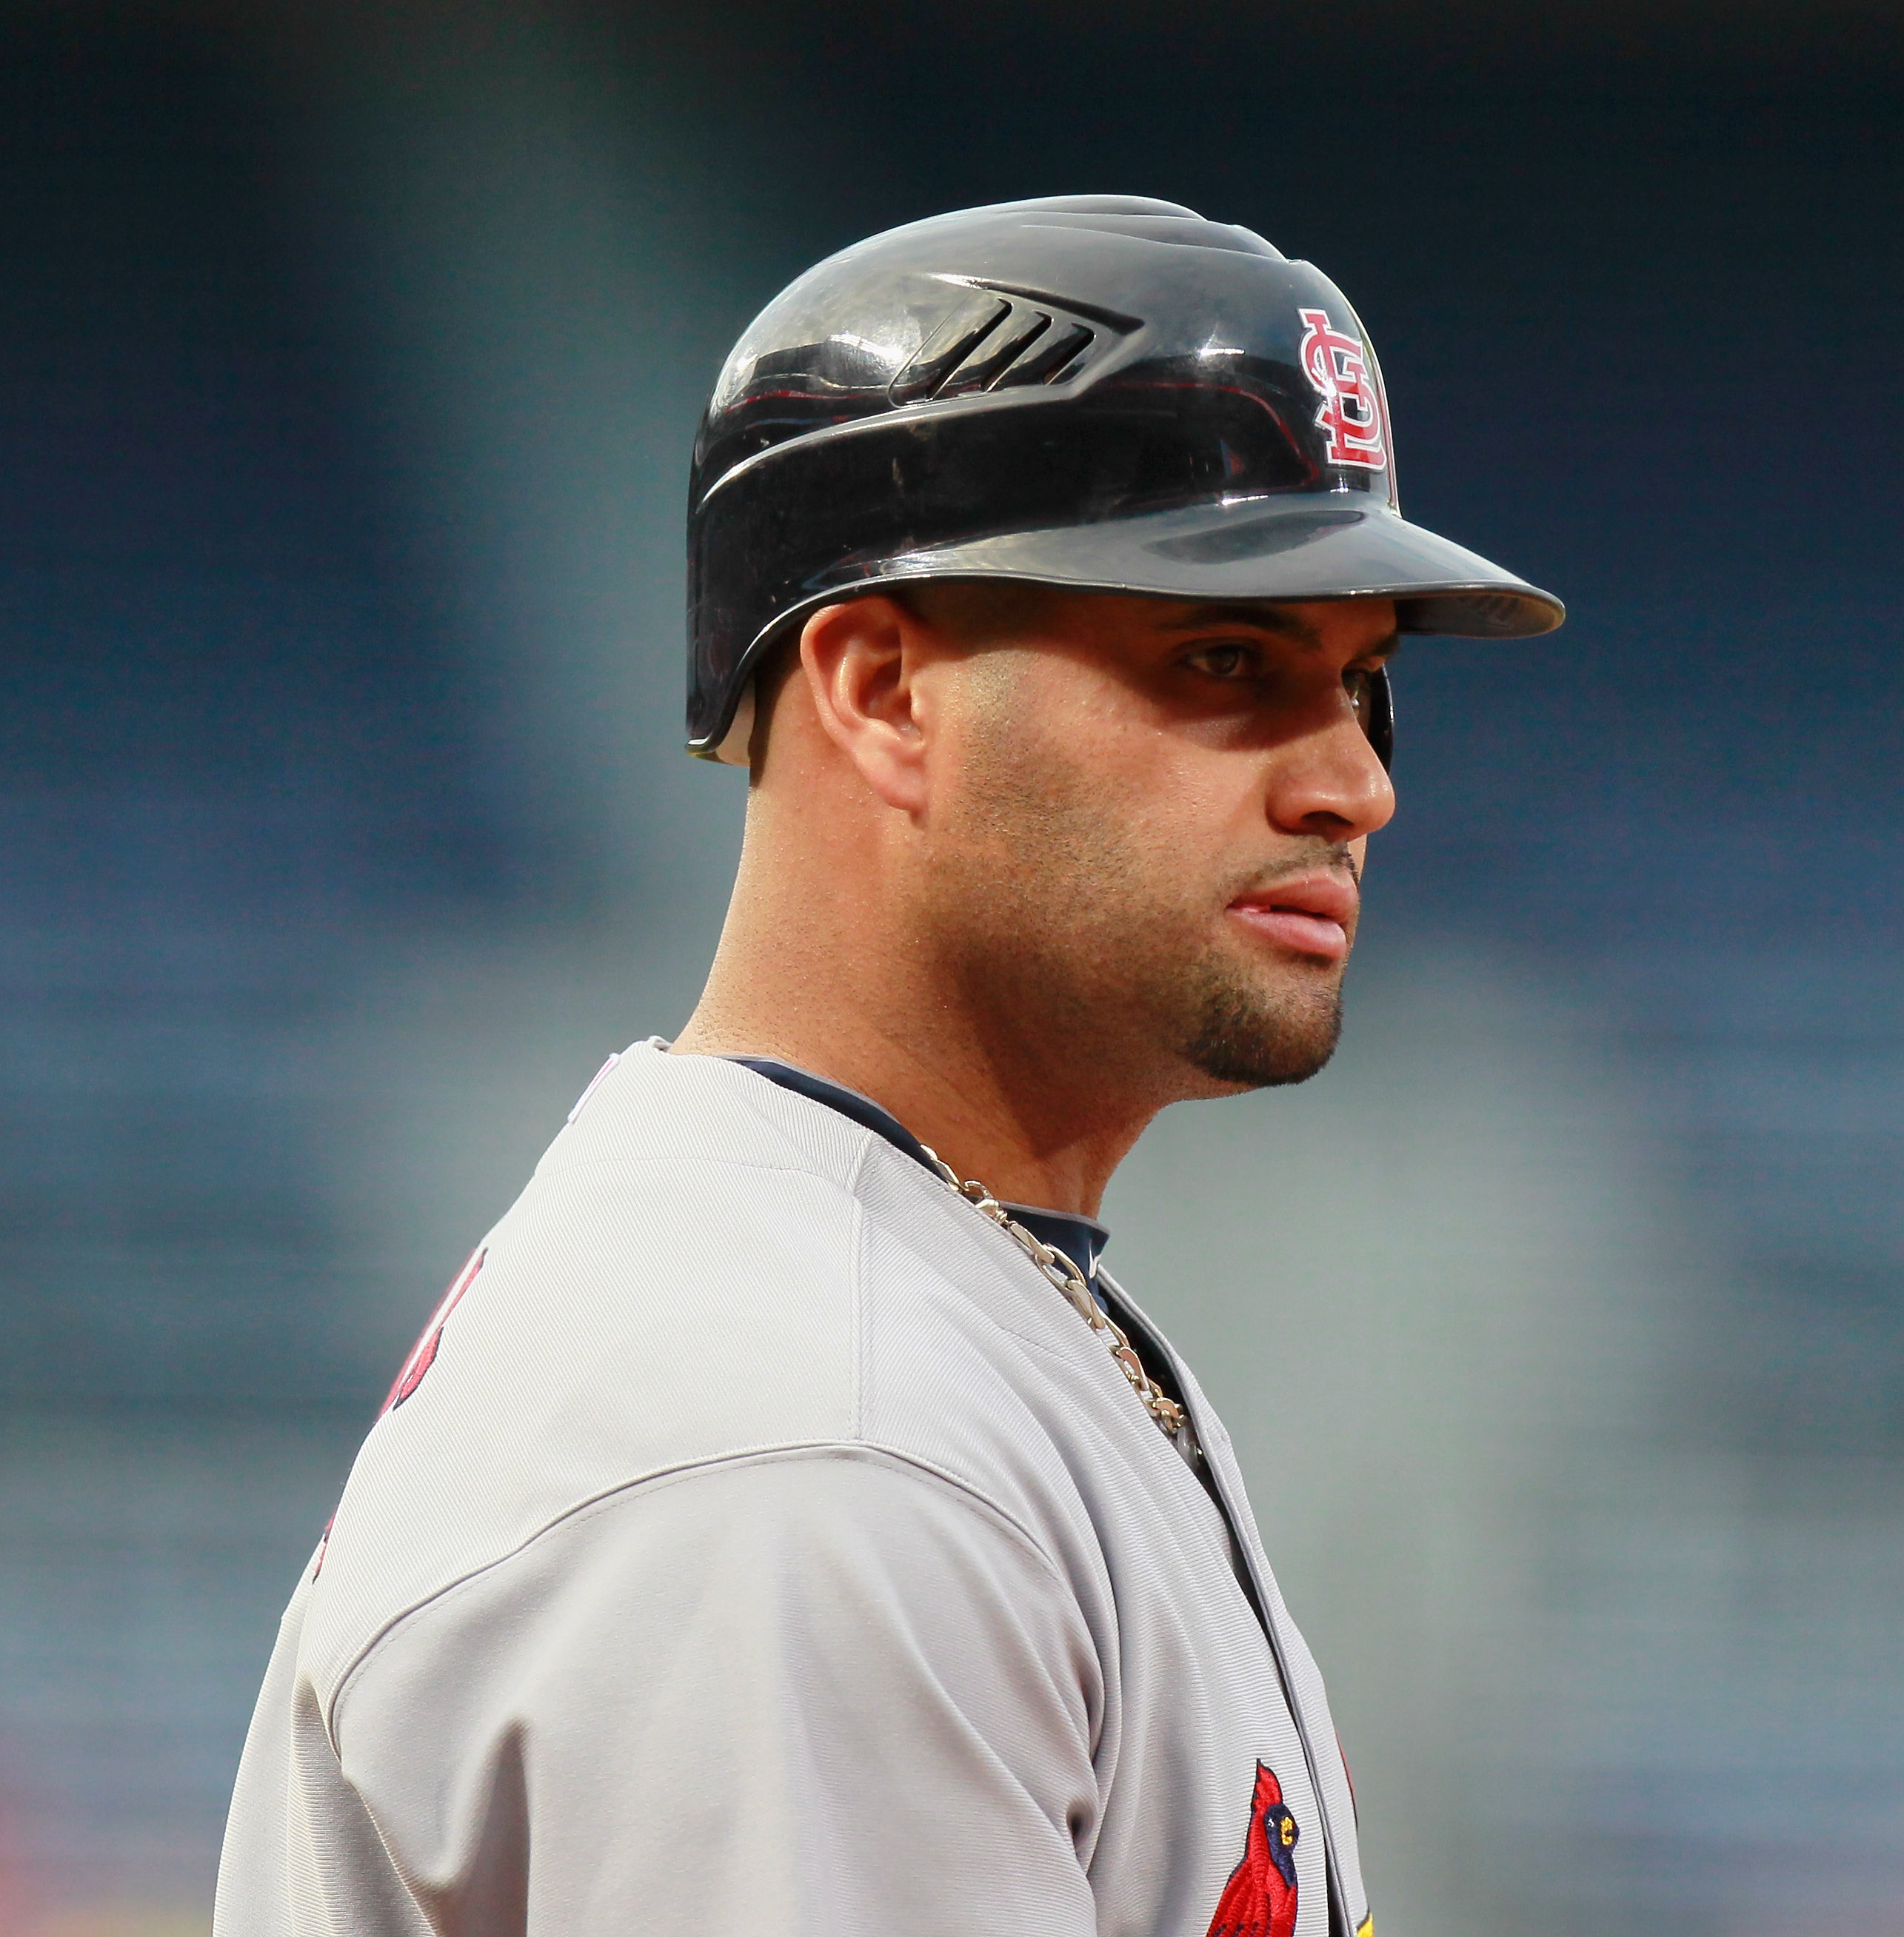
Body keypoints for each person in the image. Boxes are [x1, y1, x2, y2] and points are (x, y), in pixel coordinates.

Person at [213, 195, 1562, 1937]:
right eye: (1226, 661)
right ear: (879, 689)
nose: (1351, 784)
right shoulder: (807, 1438)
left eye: (1364, 687)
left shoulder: (922, 1306)